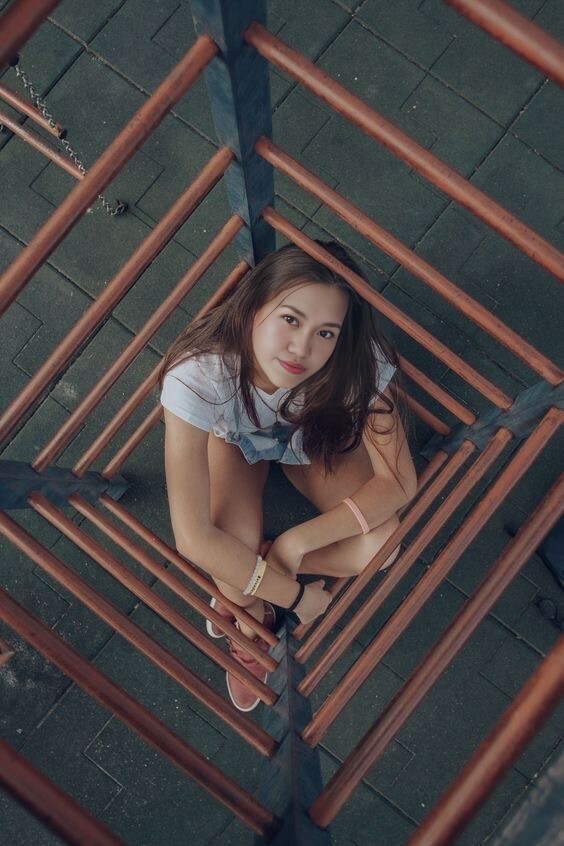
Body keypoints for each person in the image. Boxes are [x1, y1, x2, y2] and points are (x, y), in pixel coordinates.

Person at [160, 241, 417, 711]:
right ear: (254, 305)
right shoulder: (198, 375)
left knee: (383, 546)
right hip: (234, 445)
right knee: (232, 580)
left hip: (314, 442)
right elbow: (192, 539)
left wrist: (293, 545)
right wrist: (295, 599)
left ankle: (255, 573)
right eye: (291, 319)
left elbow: (399, 483)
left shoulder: (354, 360)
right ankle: (252, 615)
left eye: (326, 332)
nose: (302, 348)